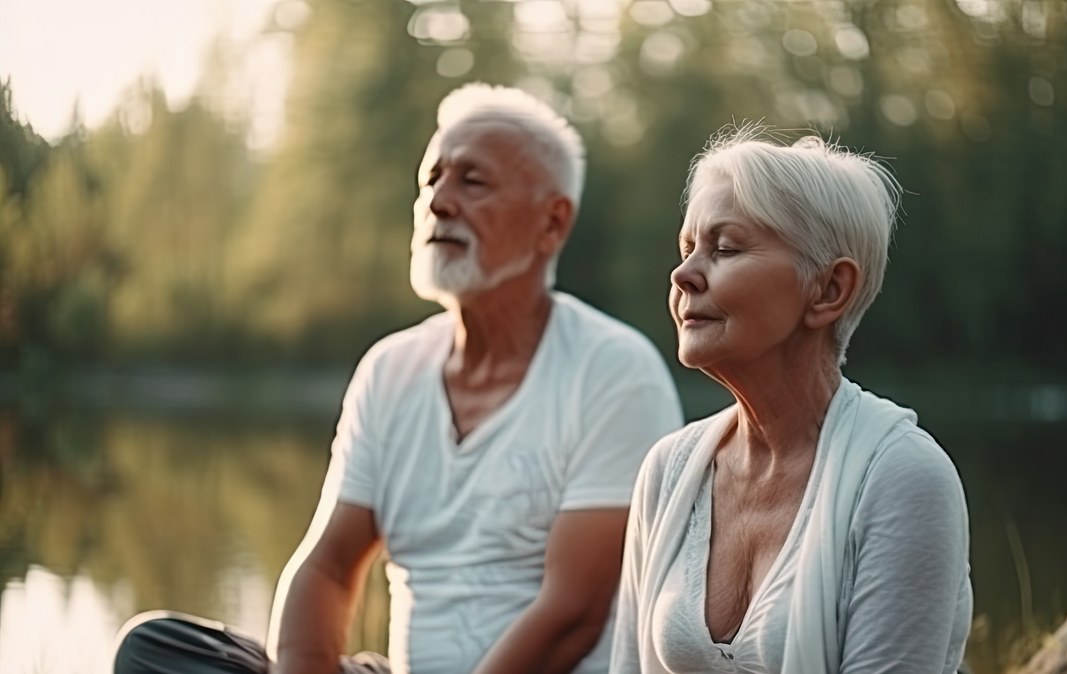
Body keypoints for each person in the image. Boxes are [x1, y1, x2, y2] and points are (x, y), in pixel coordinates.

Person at [113, 83, 683, 674]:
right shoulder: (390, 370)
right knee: (158, 650)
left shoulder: (614, 371)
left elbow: (574, 615)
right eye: (430, 179)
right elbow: (328, 567)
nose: (438, 200)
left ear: (552, 223)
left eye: (472, 181)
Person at [610, 126, 972, 673]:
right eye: (687, 249)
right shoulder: (669, 470)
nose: (682, 275)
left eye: (724, 248)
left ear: (828, 290)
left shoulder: (903, 477)